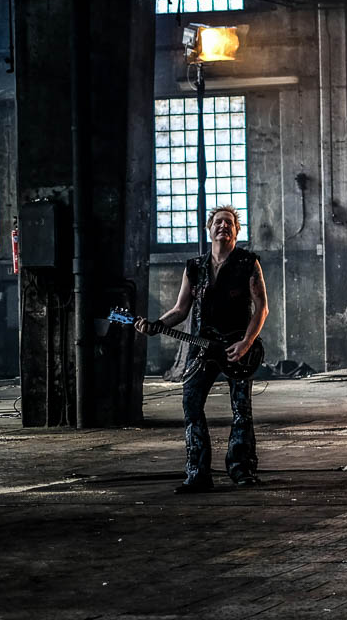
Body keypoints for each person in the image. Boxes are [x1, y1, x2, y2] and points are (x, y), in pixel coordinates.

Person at [137, 205, 268, 493]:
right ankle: (197, 474)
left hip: (238, 348)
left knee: (241, 410)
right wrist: (155, 325)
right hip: (202, 348)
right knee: (191, 404)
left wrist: (246, 343)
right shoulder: (194, 267)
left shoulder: (248, 263)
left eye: (229, 223)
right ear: (209, 229)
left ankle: (242, 469)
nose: (223, 226)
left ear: (236, 231)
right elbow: (180, 310)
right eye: (218, 222)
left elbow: (262, 308)